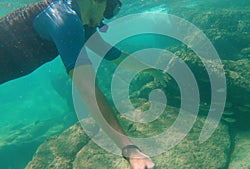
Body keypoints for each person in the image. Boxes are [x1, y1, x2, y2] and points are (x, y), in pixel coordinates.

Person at [0, 0, 156, 168]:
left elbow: (115, 56)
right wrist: (129, 149)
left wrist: (151, 69)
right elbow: (88, 90)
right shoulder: (65, 19)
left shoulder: (82, 23)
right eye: (108, 10)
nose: (103, 20)